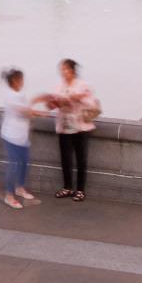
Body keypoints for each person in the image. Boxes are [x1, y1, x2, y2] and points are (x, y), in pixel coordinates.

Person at [40, 57, 98, 200]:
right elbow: (51, 106)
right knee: (66, 158)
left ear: (72, 71)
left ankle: (80, 190)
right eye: (61, 69)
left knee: (81, 158)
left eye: (65, 69)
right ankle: (67, 187)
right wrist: (54, 102)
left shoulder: (83, 85)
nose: (63, 72)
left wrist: (78, 98)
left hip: (80, 127)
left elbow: (92, 104)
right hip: (64, 126)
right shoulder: (58, 86)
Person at [0, 67, 37, 208]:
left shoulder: (21, 95)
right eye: (21, 79)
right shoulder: (10, 96)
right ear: (15, 81)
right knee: (13, 165)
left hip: (22, 137)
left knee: (24, 163)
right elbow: (25, 111)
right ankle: (9, 196)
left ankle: (20, 188)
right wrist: (37, 109)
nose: (23, 82)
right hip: (10, 136)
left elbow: (27, 113)